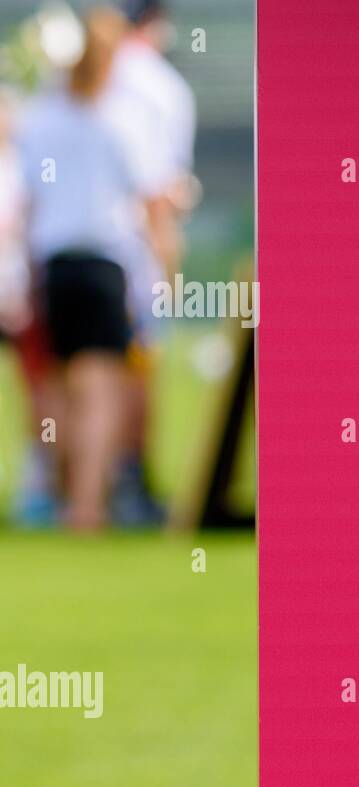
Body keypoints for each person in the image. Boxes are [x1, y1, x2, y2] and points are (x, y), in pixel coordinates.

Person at [16, 6, 172, 530]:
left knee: (60, 388)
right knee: (101, 389)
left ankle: (58, 493)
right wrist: (165, 272)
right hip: (104, 264)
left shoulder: (41, 117)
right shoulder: (120, 119)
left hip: (52, 266)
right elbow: (152, 202)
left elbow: (29, 202)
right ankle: (86, 506)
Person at [106, 0, 198, 525]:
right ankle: (130, 485)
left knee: (85, 374)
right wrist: (168, 256)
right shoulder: (161, 87)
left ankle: (75, 486)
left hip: (68, 253)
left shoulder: (83, 73)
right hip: (134, 253)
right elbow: (162, 189)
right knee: (140, 366)